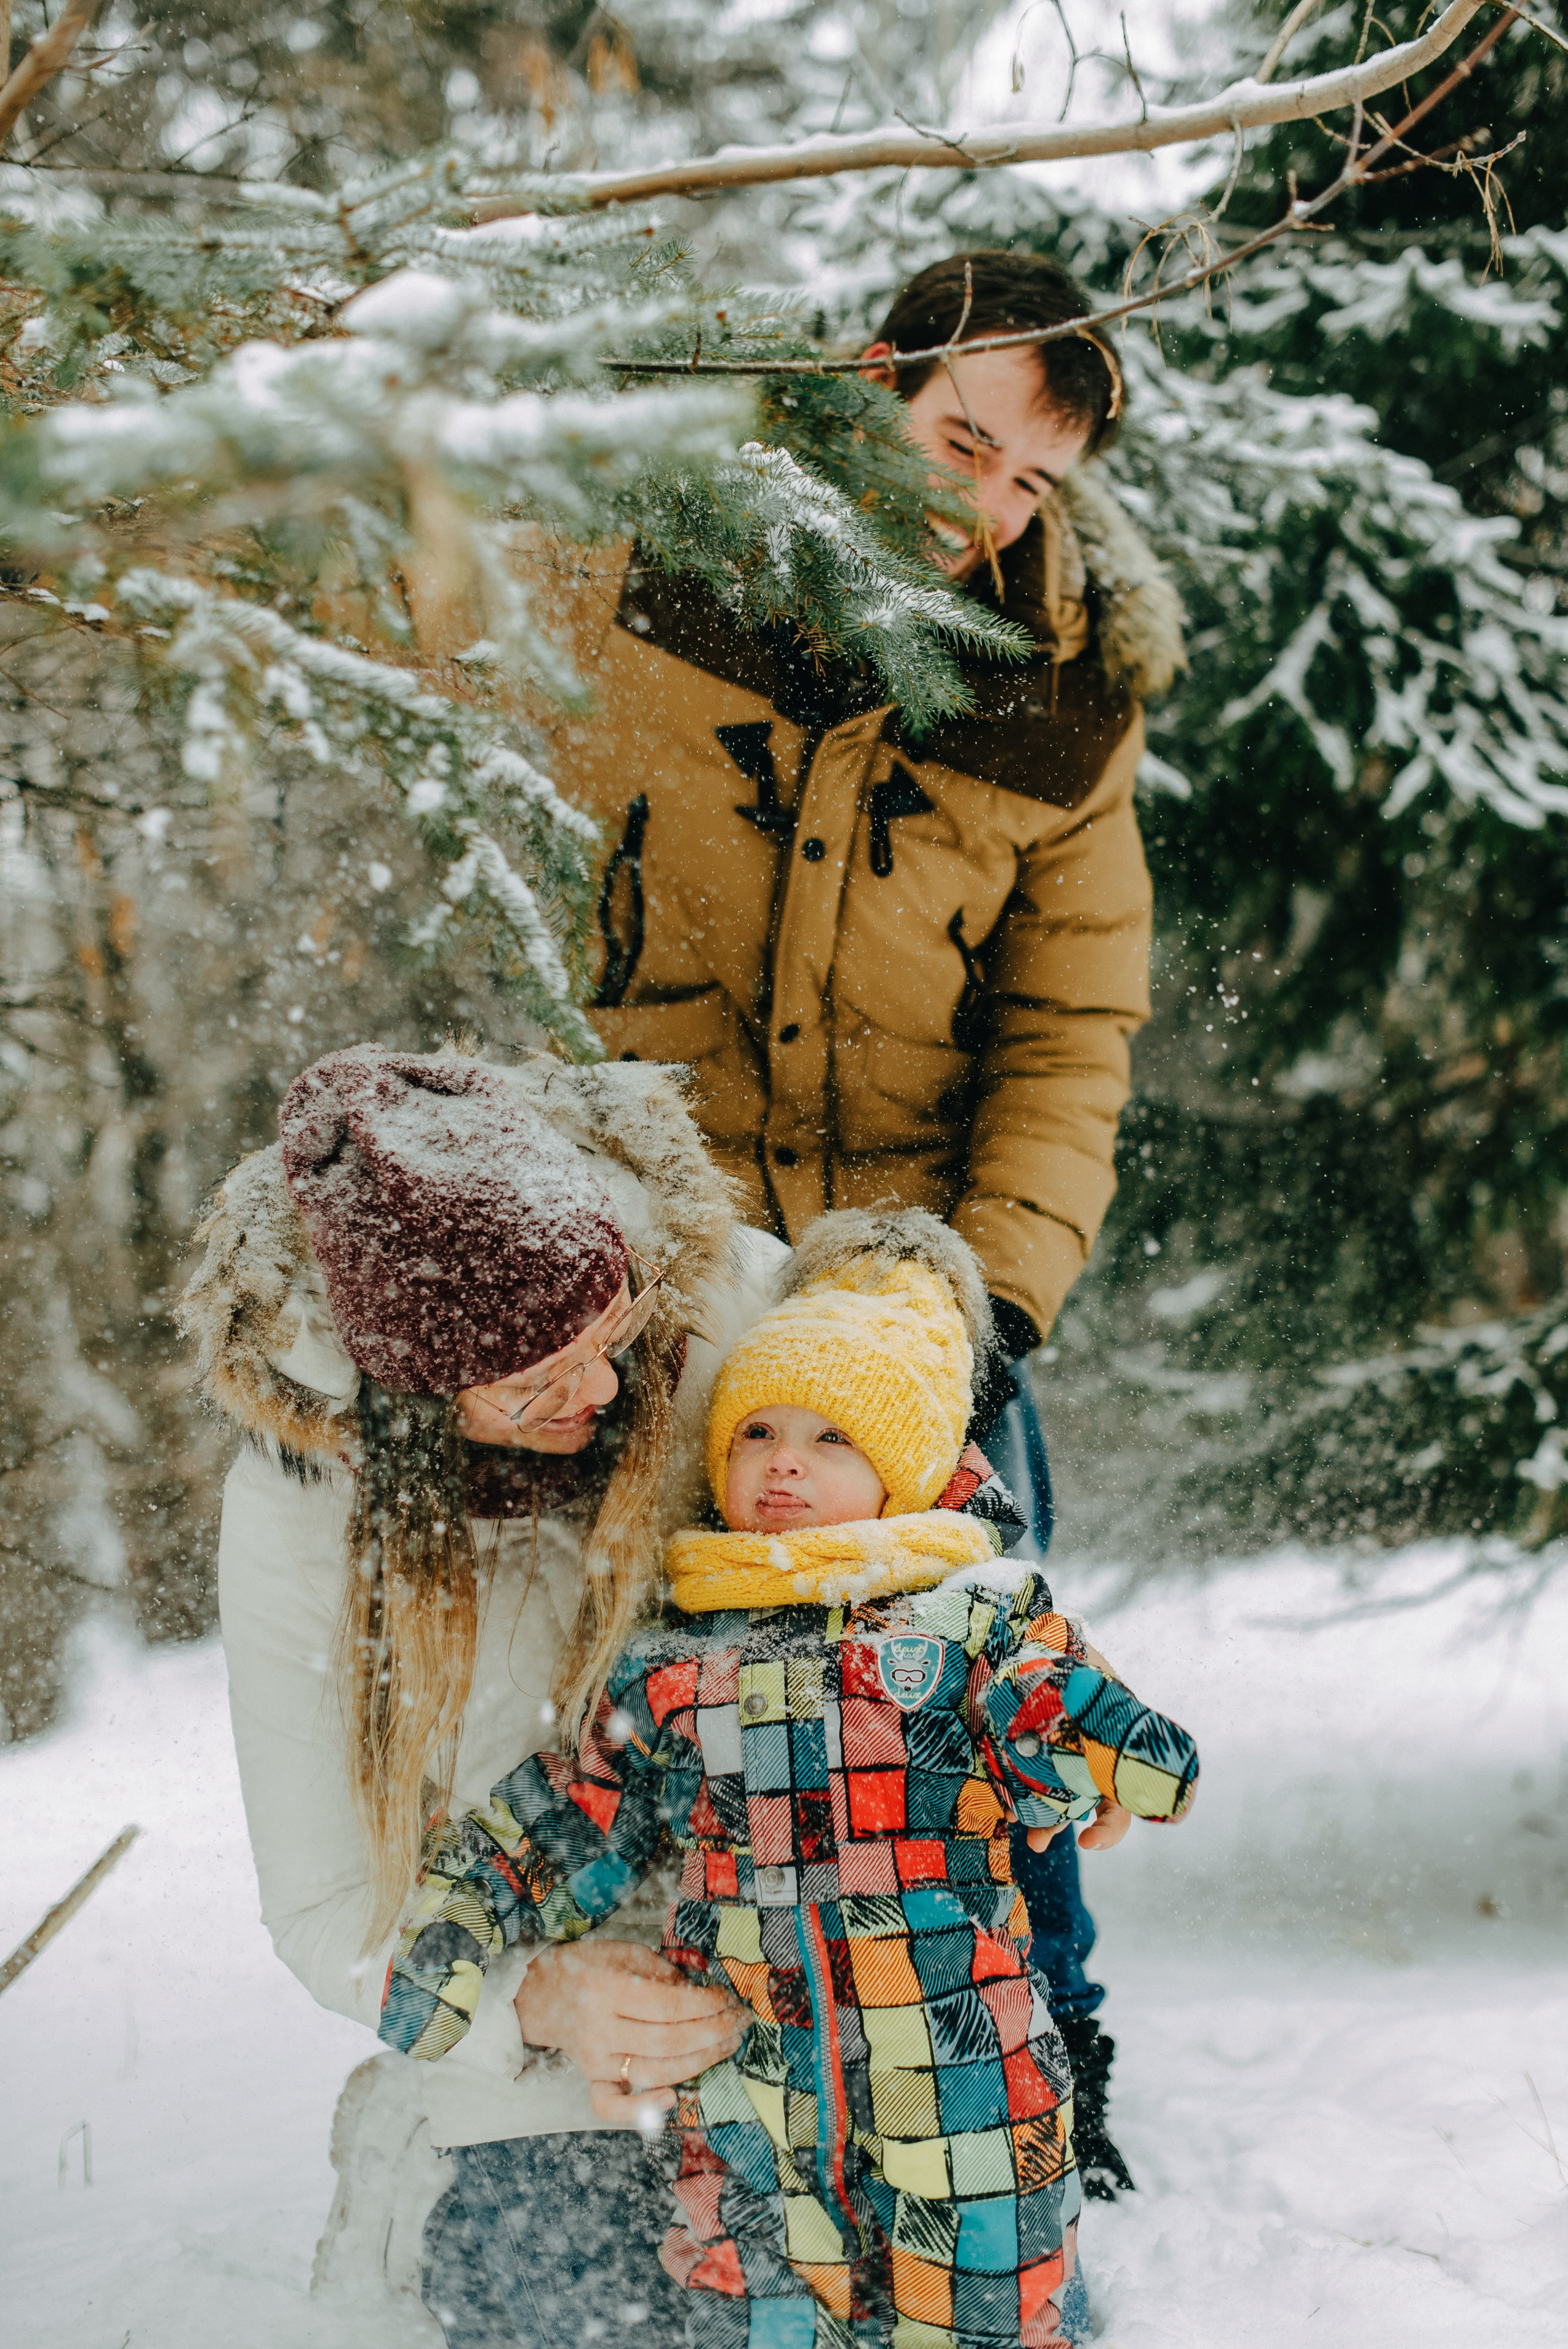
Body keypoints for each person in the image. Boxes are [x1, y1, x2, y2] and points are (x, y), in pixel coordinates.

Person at [524, 248, 1186, 2188]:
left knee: (974, 1677)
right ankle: (658, 2093)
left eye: (1030, 480)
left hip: (903, 1291)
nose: (983, 501)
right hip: (638, 1255)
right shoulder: (635, 559)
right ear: (861, 375)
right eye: (959, 434)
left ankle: (1038, 2046)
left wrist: (989, 1304)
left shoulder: (1067, 700)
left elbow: (1075, 1029)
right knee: (632, 1694)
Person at [379, 1210, 1197, 2349]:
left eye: (832, 1438)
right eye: (758, 1429)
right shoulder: (679, 1662)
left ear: (905, 1466)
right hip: (754, 2067)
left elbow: (1051, 1700)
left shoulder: (970, 1621)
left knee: (983, 2293)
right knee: (762, 2283)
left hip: (956, 2039)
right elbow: (576, 1810)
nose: (784, 1461)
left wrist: (1107, 1744)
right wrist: (463, 1917)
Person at [181, 1040, 793, 2345]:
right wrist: (535, 1998)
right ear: (414, 1405)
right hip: (526, 2011)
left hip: (786, 1957)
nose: (606, 1389)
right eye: (532, 1386)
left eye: (610, 1331)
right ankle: (416, 2140)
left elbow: (911, 1502)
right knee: (601, 2315)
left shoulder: (709, 1310)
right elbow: (326, 1907)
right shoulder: (302, 1507)